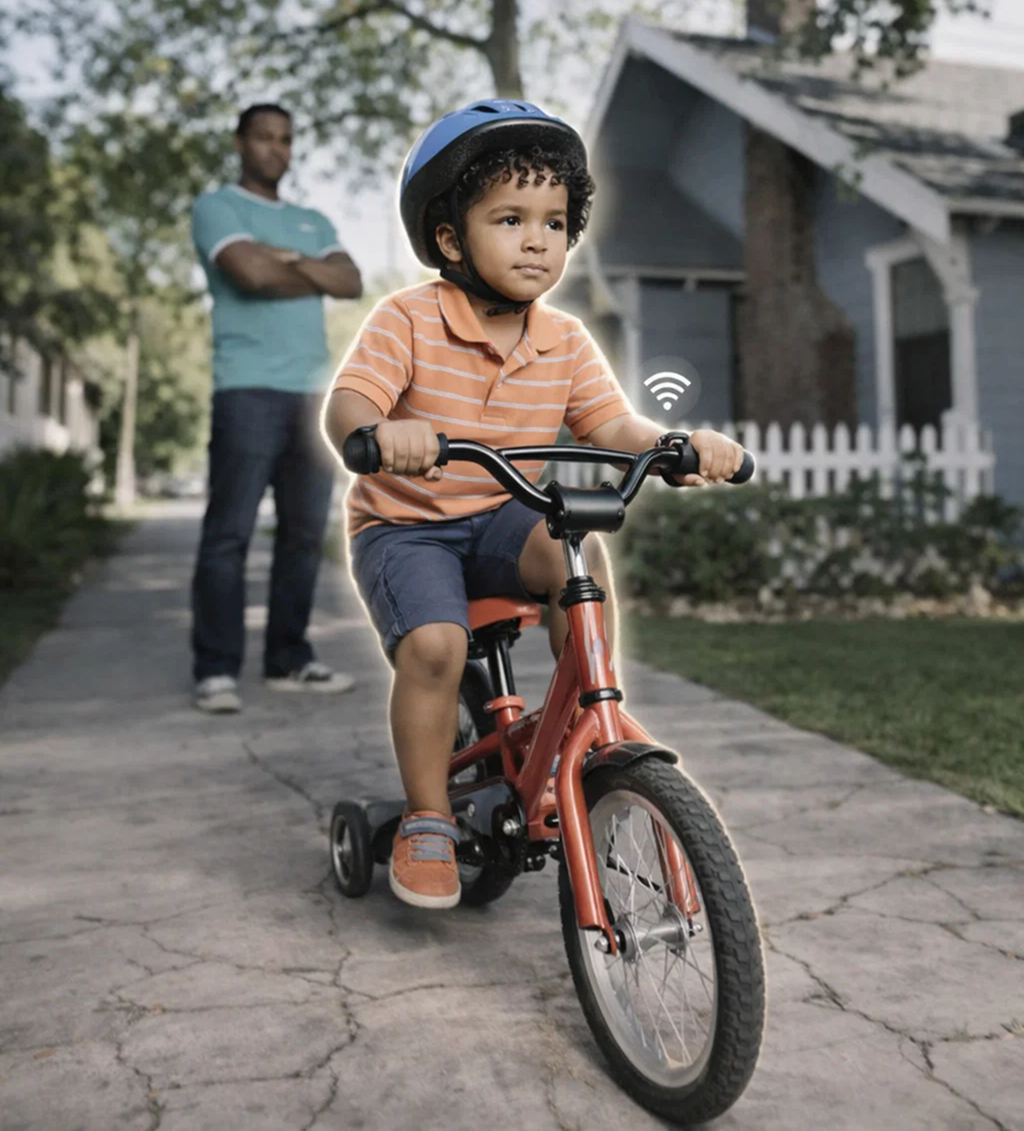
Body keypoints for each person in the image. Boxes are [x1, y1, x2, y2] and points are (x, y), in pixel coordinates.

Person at [323, 100, 743, 909]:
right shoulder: (407, 320)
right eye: (510, 218)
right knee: (439, 647)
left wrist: (673, 445)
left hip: (499, 512)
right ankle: (426, 817)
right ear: (451, 239)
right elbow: (348, 405)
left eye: (554, 221)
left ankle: (591, 719)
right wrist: (378, 432)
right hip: (406, 524)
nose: (536, 238)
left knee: (574, 554)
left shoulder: (565, 339)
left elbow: (612, 423)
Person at [190, 103, 362, 713]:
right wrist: (296, 269)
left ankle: (289, 658)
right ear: (240, 142)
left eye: (285, 139)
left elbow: (350, 281)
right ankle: (215, 669)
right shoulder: (217, 207)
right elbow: (249, 275)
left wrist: (283, 261)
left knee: (302, 535)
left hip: (312, 395)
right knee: (229, 533)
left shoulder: (312, 219)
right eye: (263, 137)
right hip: (246, 388)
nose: (275, 149)